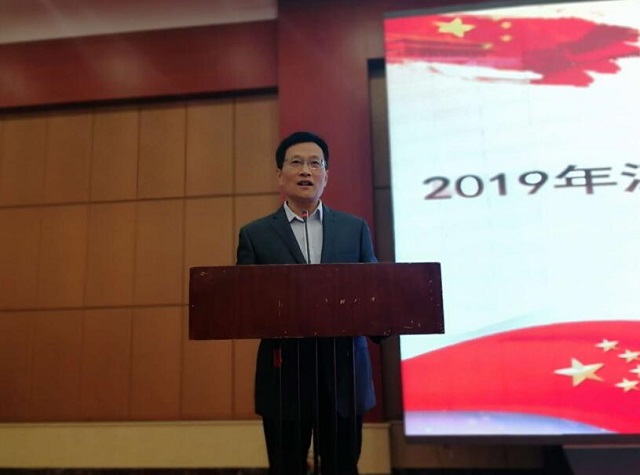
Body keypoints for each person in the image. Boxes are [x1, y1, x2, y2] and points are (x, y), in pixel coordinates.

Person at [236, 131, 378, 475]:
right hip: (284, 377)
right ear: (280, 175)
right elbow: (245, 303)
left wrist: (382, 324)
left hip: (343, 376)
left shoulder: (355, 229)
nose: (306, 170)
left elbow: (375, 292)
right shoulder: (255, 235)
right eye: (296, 162)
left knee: (343, 467)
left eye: (315, 164)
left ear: (326, 176)